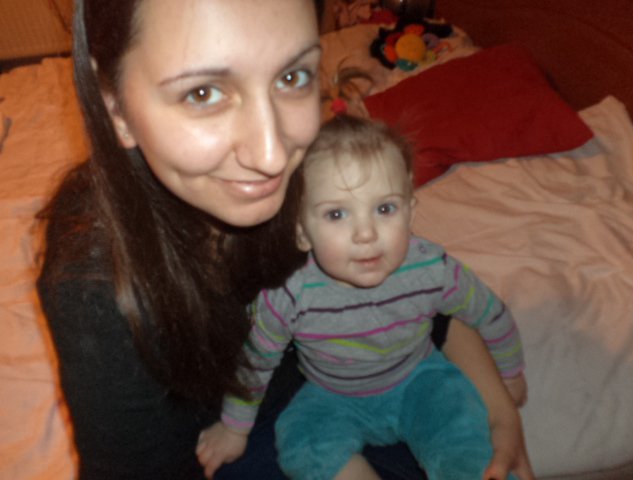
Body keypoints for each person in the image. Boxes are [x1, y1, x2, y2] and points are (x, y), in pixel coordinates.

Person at [37, 0, 530, 479]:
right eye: (203, 93)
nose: (272, 155)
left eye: (292, 77)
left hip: (381, 396)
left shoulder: (312, 174)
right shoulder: (96, 284)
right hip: (261, 439)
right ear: (115, 108)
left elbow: (413, 295)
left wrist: (499, 413)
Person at [197, 115, 533, 480]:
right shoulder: (288, 295)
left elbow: (488, 312)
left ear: (411, 212)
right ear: (301, 232)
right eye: (336, 214)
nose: (366, 233)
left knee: (466, 440)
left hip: (421, 382)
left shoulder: (433, 270)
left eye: (385, 209)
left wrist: (509, 373)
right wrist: (235, 428)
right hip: (332, 397)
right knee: (302, 441)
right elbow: (256, 361)